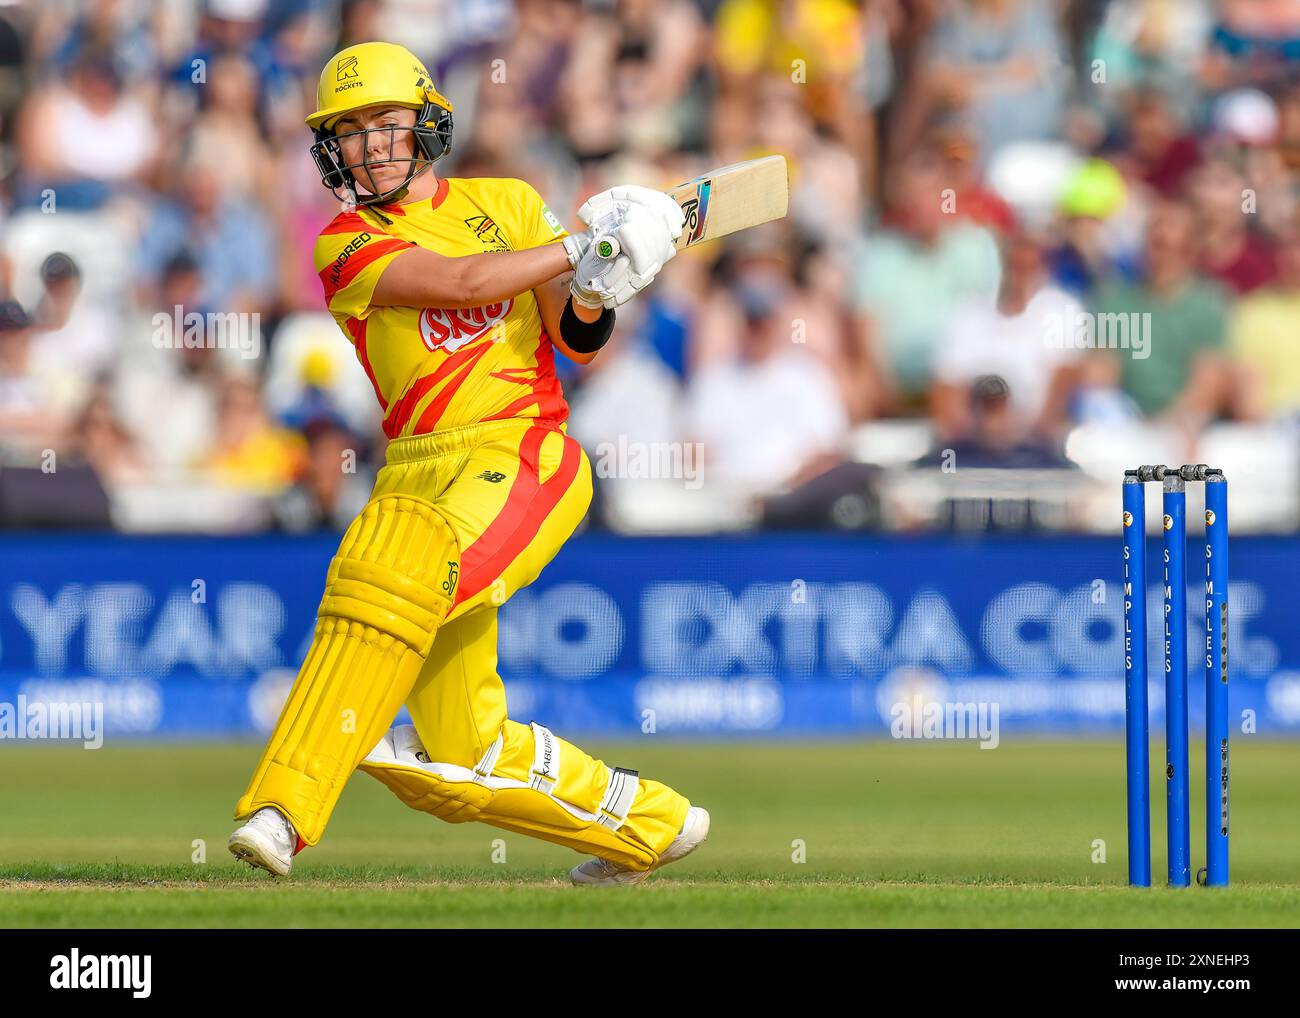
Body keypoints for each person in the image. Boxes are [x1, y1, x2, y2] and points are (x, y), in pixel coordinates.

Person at [227, 41, 708, 886]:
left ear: (427, 124)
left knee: (389, 580)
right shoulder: (342, 246)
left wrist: (602, 280)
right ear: (330, 150)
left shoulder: (509, 202)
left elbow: (577, 340)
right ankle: (647, 826)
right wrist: (581, 244)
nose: (371, 144)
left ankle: (285, 807)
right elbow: (459, 282)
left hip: (523, 447)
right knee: (461, 757)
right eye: (350, 130)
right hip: (415, 472)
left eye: (387, 122)